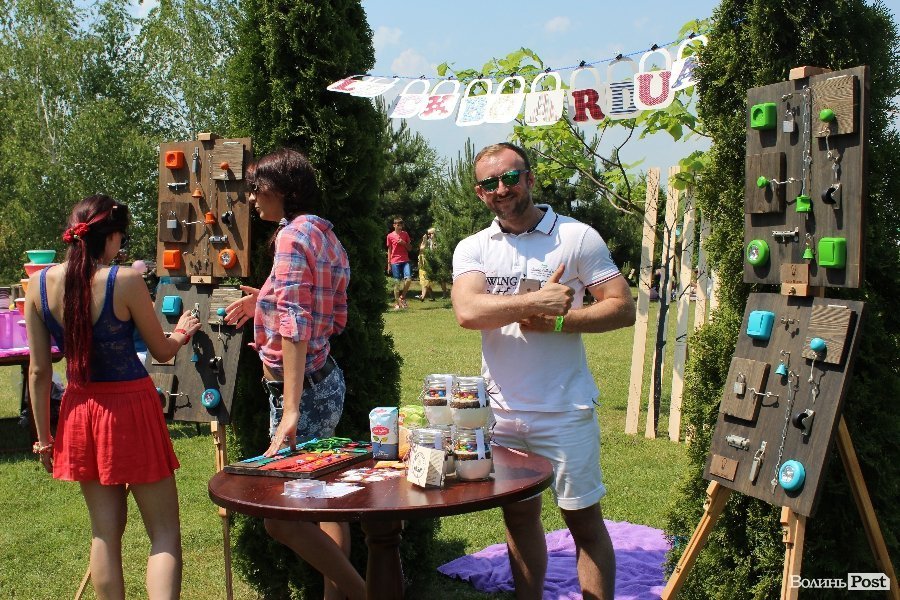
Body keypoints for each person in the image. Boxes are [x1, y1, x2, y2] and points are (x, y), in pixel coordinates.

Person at [451, 143, 636, 600]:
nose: (501, 189)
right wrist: (536, 301)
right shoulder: (474, 247)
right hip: (501, 413)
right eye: (489, 183)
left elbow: (622, 307)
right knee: (518, 518)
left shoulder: (576, 237)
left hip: (564, 410)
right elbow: (468, 311)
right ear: (479, 192)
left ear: (530, 179)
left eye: (510, 178)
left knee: (584, 523)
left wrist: (561, 321)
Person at [25, 194, 202, 600]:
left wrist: (44, 440)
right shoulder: (124, 280)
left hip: (79, 410)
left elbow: (38, 372)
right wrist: (182, 332)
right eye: (121, 237)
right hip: (131, 409)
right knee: (164, 532)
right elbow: (161, 351)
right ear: (109, 237)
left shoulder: (37, 285)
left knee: (103, 533)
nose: (121, 246)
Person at [223, 148, 362, 600]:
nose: (252, 197)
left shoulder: (290, 238)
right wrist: (261, 302)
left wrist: (290, 411)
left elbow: (296, 323)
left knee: (279, 519)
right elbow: (328, 309)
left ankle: (362, 592)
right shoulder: (321, 232)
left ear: (284, 189)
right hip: (323, 379)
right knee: (323, 501)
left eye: (257, 188)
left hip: (300, 393)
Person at [386, 216, 412, 309]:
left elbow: (410, 248)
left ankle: (402, 297)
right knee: (397, 282)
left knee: (408, 279)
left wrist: (403, 243)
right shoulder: (390, 236)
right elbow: (389, 250)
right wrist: (388, 264)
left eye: (401, 225)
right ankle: (397, 303)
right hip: (394, 261)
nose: (400, 226)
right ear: (394, 225)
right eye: (398, 225)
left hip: (405, 260)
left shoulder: (405, 234)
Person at [417, 227, 437, 301]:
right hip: (423, 262)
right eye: (428, 234)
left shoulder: (436, 242)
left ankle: (422, 296)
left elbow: (435, 251)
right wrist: (424, 241)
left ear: (434, 234)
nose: (429, 235)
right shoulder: (427, 241)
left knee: (425, 279)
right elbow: (421, 250)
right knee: (424, 278)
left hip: (429, 263)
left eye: (430, 234)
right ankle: (432, 297)